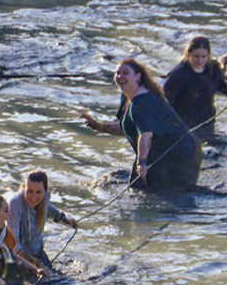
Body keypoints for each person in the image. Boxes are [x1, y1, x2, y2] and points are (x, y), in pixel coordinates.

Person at [81, 59, 203, 192]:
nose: (120, 77)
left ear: (138, 76)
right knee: (137, 189)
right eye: (118, 73)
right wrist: (99, 126)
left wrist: (142, 164)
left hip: (179, 153)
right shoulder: (128, 96)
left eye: (125, 73)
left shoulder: (141, 103)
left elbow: (145, 136)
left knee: (168, 198)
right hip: (158, 152)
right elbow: (127, 127)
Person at [162, 36, 227, 146]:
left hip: (207, 121)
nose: (200, 60)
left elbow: (221, 85)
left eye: (203, 57)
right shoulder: (178, 75)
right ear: (188, 54)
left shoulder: (214, 68)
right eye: (196, 56)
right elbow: (165, 103)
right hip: (184, 125)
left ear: (208, 55)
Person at [10, 170, 79, 277]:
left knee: (58, 279)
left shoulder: (44, 198)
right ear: (24, 188)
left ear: (45, 191)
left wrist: (65, 220)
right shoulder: (15, 204)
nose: (33, 197)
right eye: (30, 191)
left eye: (38, 192)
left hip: (38, 253)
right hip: (20, 258)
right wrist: (34, 263)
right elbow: (13, 243)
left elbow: (47, 208)